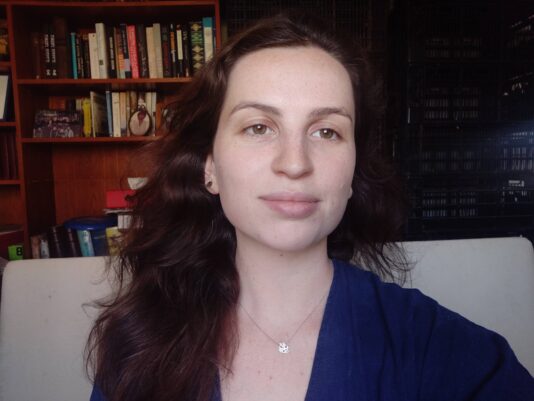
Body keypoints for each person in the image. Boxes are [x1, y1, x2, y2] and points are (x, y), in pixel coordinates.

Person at [87, 12, 534, 401]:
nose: (295, 163)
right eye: (259, 127)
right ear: (210, 167)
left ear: (354, 167)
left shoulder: (443, 351)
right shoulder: (139, 343)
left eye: (327, 132)